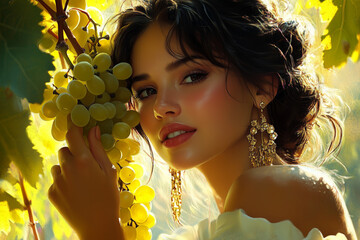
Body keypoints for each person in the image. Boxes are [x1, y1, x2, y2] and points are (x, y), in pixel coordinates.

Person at [48, 0, 358, 239]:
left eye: (193, 76)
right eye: (146, 91)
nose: (162, 107)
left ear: (262, 85)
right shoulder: (245, 208)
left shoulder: (276, 191)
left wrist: (100, 228)